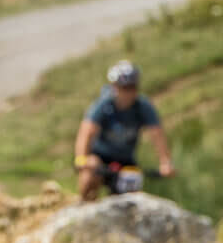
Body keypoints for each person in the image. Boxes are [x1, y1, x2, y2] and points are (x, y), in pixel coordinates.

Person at [74, 60, 174, 201]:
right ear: (115, 87)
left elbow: (157, 134)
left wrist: (165, 163)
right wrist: (82, 158)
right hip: (101, 158)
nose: (128, 92)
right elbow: (86, 132)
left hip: (126, 160)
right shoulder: (103, 105)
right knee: (90, 174)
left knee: (131, 196)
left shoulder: (143, 107)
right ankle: (83, 207)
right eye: (124, 87)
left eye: (132, 87)